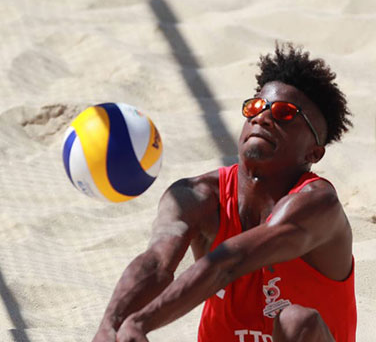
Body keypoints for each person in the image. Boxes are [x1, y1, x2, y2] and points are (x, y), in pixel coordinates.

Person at [93, 43, 356, 342]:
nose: (263, 117)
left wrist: (140, 322)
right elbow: (155, 265)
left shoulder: (318, 203)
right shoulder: (197, 195)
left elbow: (229, 261)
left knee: (297, 320)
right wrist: (110, 326)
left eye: (284, 113)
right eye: (256, 107)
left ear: (314, 152)